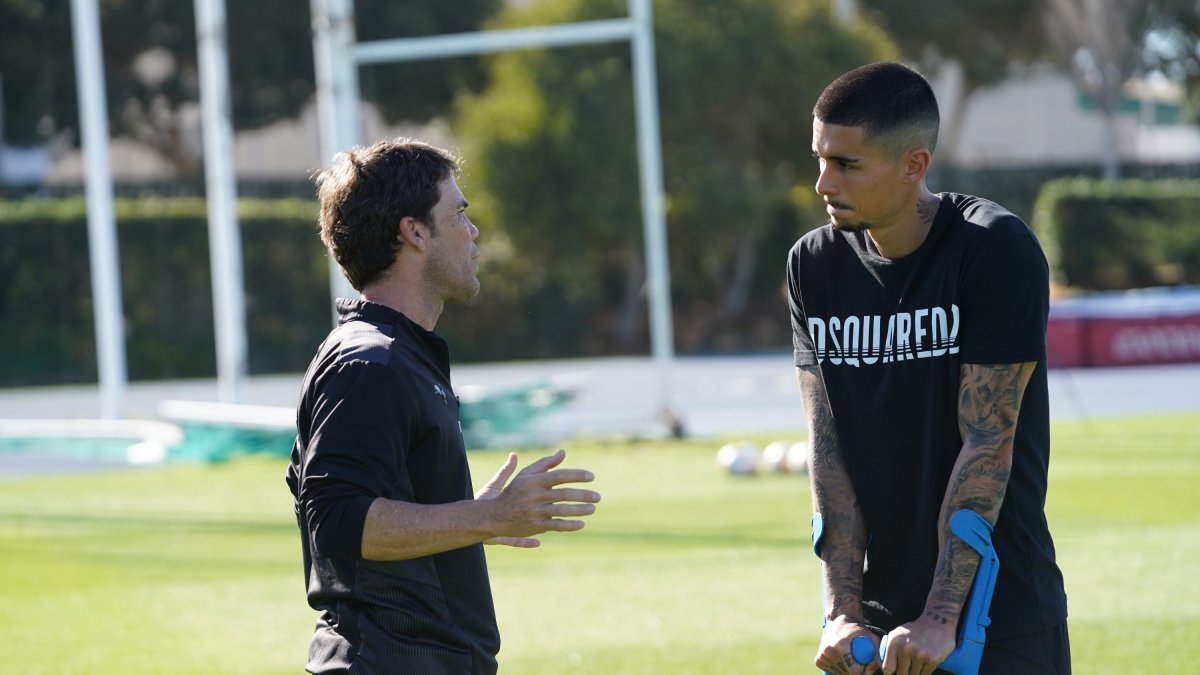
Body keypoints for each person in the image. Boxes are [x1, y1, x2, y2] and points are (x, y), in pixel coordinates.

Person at [787, 62, 1069, 675]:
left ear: (914, 165)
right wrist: (841, 608)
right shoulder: (812, 265)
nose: (822, 183)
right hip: (878, 632)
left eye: (846, 164)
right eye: (820, 158)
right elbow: (827, 444)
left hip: (1000, 621)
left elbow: (988, 441)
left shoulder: (993, 249)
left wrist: (943, 616)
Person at [286, 138, 601, 675]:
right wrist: (485, 515)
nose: (473, 231)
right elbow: (337, 522)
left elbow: (375, 506)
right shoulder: (369, 363)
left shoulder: (401, 356)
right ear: (414, 232)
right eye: (459, 212)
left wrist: (467, 516)